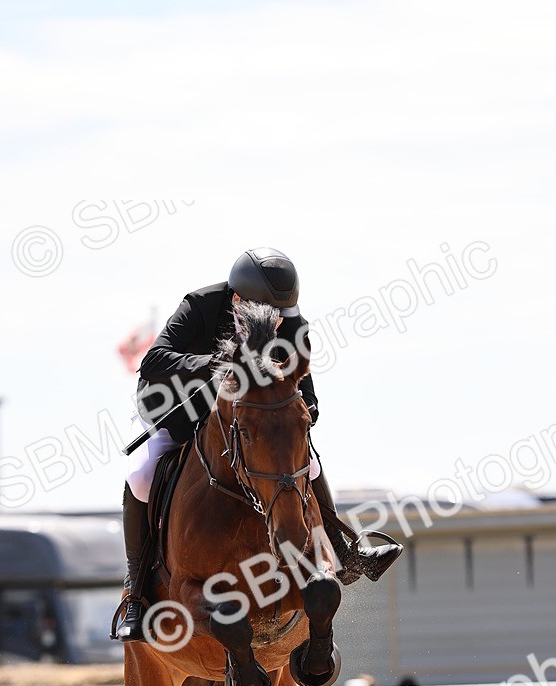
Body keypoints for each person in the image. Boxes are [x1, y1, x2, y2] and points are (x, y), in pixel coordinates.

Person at [115, 248, 402, 641]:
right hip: (173, 404)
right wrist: (216, 364)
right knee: (141, 475)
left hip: (245, 418)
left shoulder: (290, 321)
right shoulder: (201, 305)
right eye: (272, 313)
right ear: (237, 299)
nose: (280, 321)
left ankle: (341, 548)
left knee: (309, 462)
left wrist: (300, 414)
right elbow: (155, 361)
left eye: (284, 313)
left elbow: (306, 392)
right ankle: (136, 592)